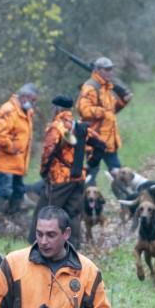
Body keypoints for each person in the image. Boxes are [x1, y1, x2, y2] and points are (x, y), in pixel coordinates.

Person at [28, 95, 90, 246]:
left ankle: (36, 247)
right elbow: (97, 145)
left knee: (45, 213)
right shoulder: (79, 125)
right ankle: (73, 249)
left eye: (53, 107)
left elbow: (48, 151)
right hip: (78, 177)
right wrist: (92, 163)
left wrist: (44, 171)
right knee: (73, 214)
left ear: (57, 108)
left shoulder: (56, 127)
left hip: (60, 179)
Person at [77, 57, 131, 182]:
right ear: (98, 70)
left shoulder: (106, 87)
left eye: (111, 69)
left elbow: (111, 112)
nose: (110, 72)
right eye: (107, 69)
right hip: (95, 140)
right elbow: (83, 110)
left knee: (119, 175)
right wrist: (103, 111)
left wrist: (123, 102)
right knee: (91, 176)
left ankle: (125, 200)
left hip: (109, 140)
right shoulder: (90, 87)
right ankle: (87, 200)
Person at [0, 84, 38, 228]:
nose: (34, 104)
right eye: (33, 100)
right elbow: (0, 137)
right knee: (4, 191)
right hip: (5, 161)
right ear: (24, 97)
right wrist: (13, 147)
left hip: (18, 163)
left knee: (19, 191)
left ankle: (13, 219)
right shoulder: (9, 110)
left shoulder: (26, 111)